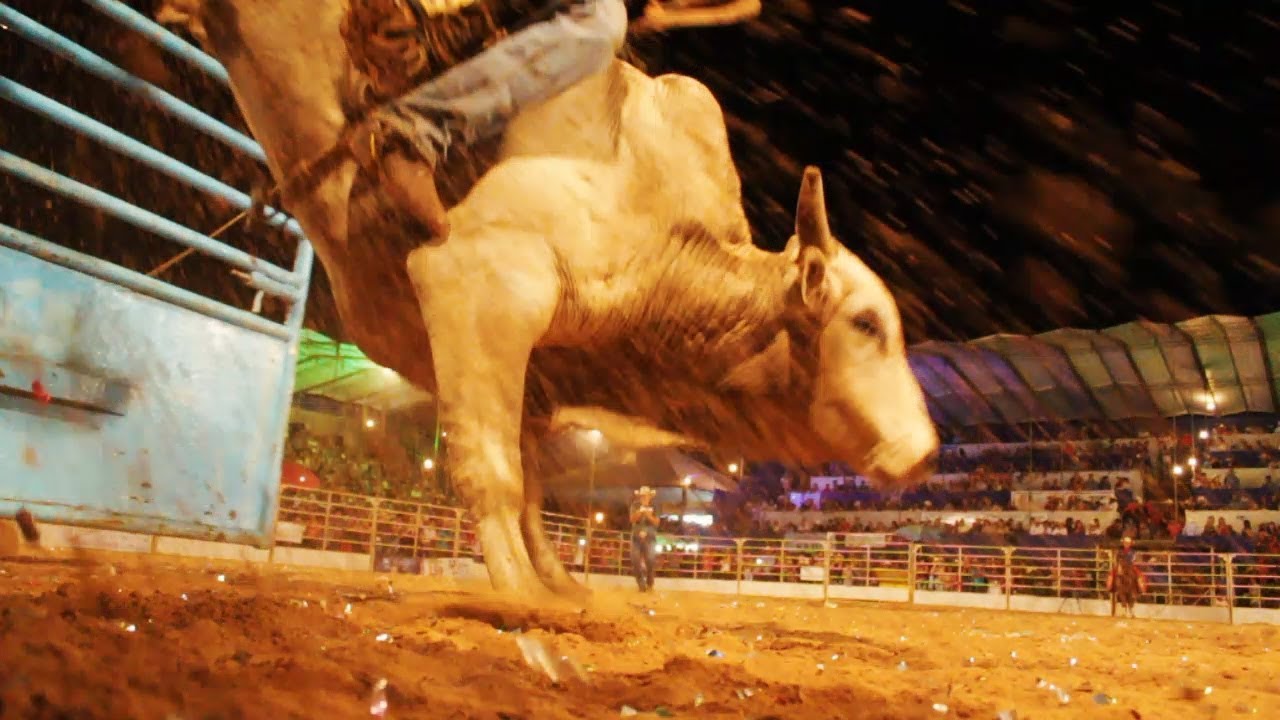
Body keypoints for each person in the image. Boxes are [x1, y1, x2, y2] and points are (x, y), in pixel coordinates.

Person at [629, 485, 659, 592]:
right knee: (635, 560)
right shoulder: (635, 505)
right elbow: (632, 519)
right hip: (636, 537)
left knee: (650, 560)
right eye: (643, 496)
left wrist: (648, 515)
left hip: (650, 537)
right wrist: (640, 512)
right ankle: (641, 584)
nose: (644, 497)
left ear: (650, 496)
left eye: (646, 496)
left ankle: (650, 582)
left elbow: (657, 522)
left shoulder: (655, 506)